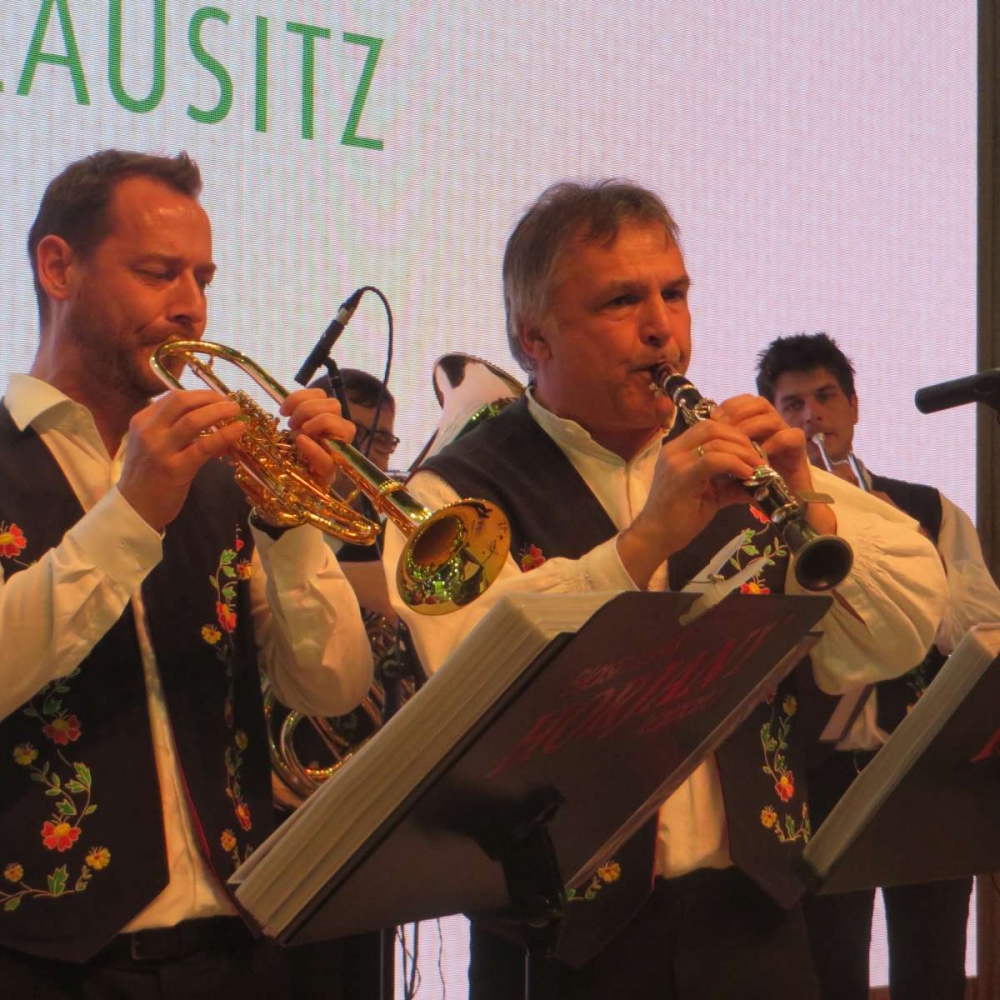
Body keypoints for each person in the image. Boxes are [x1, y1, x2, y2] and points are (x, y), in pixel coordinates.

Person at [382, 180, 948, 1000]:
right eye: (622, 301)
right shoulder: (454, 493)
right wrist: (643, 543)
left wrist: (811, 507)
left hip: (756, 921)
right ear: (533, 336)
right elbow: (470, 681)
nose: (663, 329)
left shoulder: (741, 454)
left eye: (675, 294)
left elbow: (894, 641)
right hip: (563, 945)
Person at [0, 149, 374, 999]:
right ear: (58, 268)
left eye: (202, 278)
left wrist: (290, 526)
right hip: (39, 963)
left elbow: (331, 688)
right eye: (157, 273)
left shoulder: (219, 472)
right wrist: (131, 513)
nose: (191, 306)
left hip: (236, 953)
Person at [755, 331, 1000, 1000]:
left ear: (855, 406)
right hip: (817, 779)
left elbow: (979, 631)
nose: (812, 416)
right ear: (773, 422)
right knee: (830, 969)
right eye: (793, 405)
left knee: (934, 965)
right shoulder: (754, 523)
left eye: (826, 397)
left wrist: (908, 559)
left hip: (921, 771)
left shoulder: (926, 508)